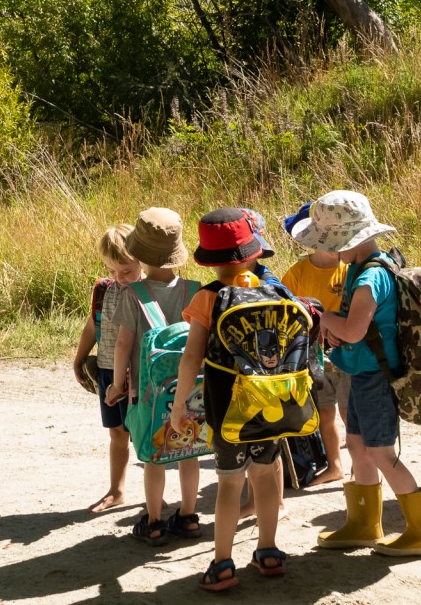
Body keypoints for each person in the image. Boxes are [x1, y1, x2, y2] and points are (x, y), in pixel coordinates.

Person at [310, 190, 421, 558]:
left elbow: (353, 330)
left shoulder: (370, 278)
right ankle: (365, 524)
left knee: (381, 452)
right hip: (360, 372)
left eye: (334, 244)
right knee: (357, 446)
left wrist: (325, 319)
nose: (333, 253)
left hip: (376, 378)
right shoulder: (360, 266)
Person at [169, 208, 294, 592]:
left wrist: (178, 406)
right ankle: (269, 551)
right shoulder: (274, 291)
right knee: (265, 476)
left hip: (227, 411)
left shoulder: (209, 298)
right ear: (254, 253)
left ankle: (223, 563)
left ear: (209, 259)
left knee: (228, 484)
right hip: (271, 405)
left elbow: (191, 356)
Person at [105, 208, 205, 544]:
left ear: (139, 254)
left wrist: (117, 385)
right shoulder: (197, 290)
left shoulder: (133, 294)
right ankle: (189, 516)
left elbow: (123, 344)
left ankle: (155, 521)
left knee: (154, 457)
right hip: (192, 392)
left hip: (149, 393)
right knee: (188, 452)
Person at [71, 224, 141, 513]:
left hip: (136, 375)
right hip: (105, 370)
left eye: (126, 271)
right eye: (113, 271)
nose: (119, 278)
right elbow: (93, 325)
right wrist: (80, 358)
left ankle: (155, 495)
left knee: (143, 434)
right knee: (117, 433)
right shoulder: (102, 289)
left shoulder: (146, 292)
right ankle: (117, 490)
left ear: (142, 261)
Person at [280, 202, 348, 487]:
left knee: (349, 412)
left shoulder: (348, 269)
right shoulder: (296, 273)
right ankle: (335, 466)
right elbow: (284, 314)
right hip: (313, 355)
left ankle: (364, 469)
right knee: (325, 413)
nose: (333, 245)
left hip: (347, 352)